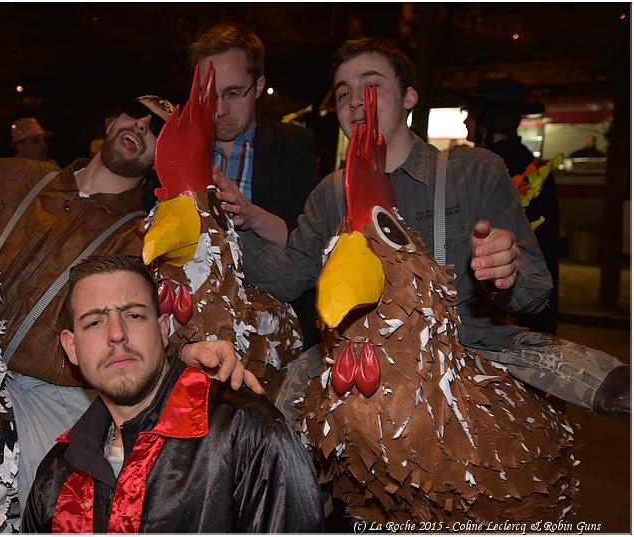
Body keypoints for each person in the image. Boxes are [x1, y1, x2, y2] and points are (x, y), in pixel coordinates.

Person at [0, 62, 263, 512]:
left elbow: (153, 325)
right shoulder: (14, 177)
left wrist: (191, 355)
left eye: (158, 127)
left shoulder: (144, 238)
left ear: (162, 156)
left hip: (49, 396)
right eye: (137, 111)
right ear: (112, 120)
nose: (142, 124)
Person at [240, 38, 629, 417]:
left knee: (596, 384)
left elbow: (536, 290)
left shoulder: (473, 172)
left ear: (410, 97)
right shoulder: (328, 195)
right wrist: (223, 227)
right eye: (343, 94)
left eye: (372, 85)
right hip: (362, 373)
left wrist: (505, 272)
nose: (356, 101)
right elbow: (291, 276)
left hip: (466, 371)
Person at [22, 255, 323, 532]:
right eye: (95, 322)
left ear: (164, 329)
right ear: (71, 348)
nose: (116, 333)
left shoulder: (242, 433)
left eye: (134, 315)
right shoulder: (56, 477)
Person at [190, 23, 322, 348]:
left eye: (233, 93)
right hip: (195, 327)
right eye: (209, 96)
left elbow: (309, 247)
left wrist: (250, 216)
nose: (219, 110)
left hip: (278, 330)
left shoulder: (294, 145)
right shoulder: (184, 148)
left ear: (259, 85)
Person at [462, 75, 560, 334]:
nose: (464, 121)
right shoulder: (536, 167)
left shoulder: (484, 169)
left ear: (487, 119)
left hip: (498, 313)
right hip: (522, 311)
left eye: (470, 114)